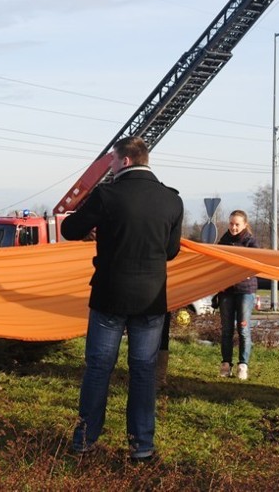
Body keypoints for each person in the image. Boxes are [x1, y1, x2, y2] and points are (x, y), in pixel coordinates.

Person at [61, 136, 183, 462]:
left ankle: (84, 441)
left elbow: (70, 229)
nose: (110, 168)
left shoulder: (106, 194)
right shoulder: (172, 200)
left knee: (99, 368)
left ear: (125, 161)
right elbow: (171, 251)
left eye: (112, 162)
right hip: (151, 299)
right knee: (143, 373)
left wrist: (95, 227)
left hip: (109, 296)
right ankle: (142, 447)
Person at [216, 210, 259, 380]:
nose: (233, 227)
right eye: (231, 224)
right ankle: (226, 364)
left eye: (237, 224)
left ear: (244, 225)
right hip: (226, 290)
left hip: (245, 290)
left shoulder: (251, 242)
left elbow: (255, 263)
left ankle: (243, 365)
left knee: (243, 329)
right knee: (226, 329)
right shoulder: (223, 241)